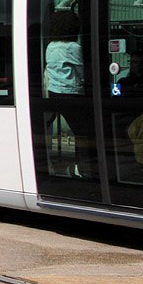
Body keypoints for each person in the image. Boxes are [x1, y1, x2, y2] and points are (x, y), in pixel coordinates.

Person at [45, 10, 91, 178]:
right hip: (72, 94)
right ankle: (84, 167)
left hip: (53, 93)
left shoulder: (51, 46)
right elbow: (84, 72)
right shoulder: (73, 47)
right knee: (85, 133)